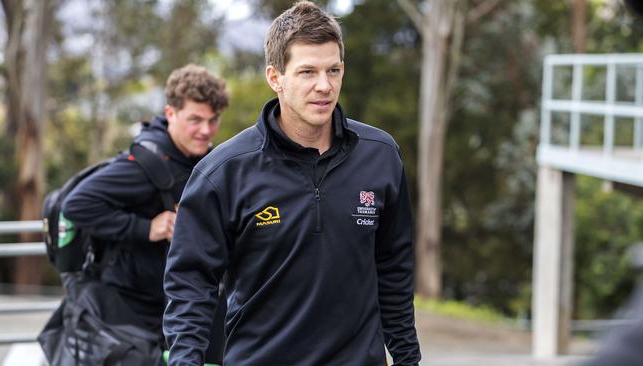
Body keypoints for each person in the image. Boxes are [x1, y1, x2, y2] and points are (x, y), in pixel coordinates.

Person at [163, 2, 422, 365]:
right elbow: (191, 284)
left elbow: (393, 270)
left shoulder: (380, 155)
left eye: (333, 70)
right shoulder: (223, 172)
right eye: (307, 72)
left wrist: (408, 359)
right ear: (275, 77)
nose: (324, 85)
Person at [62, 64, 229, 364]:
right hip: (133, 314)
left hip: (181, 306)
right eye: (195, 119)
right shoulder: (142, 165)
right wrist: (145, 228)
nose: (206, 130)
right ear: (170, 114)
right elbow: (76, 204)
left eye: (213, 120)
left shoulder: (200, 157)